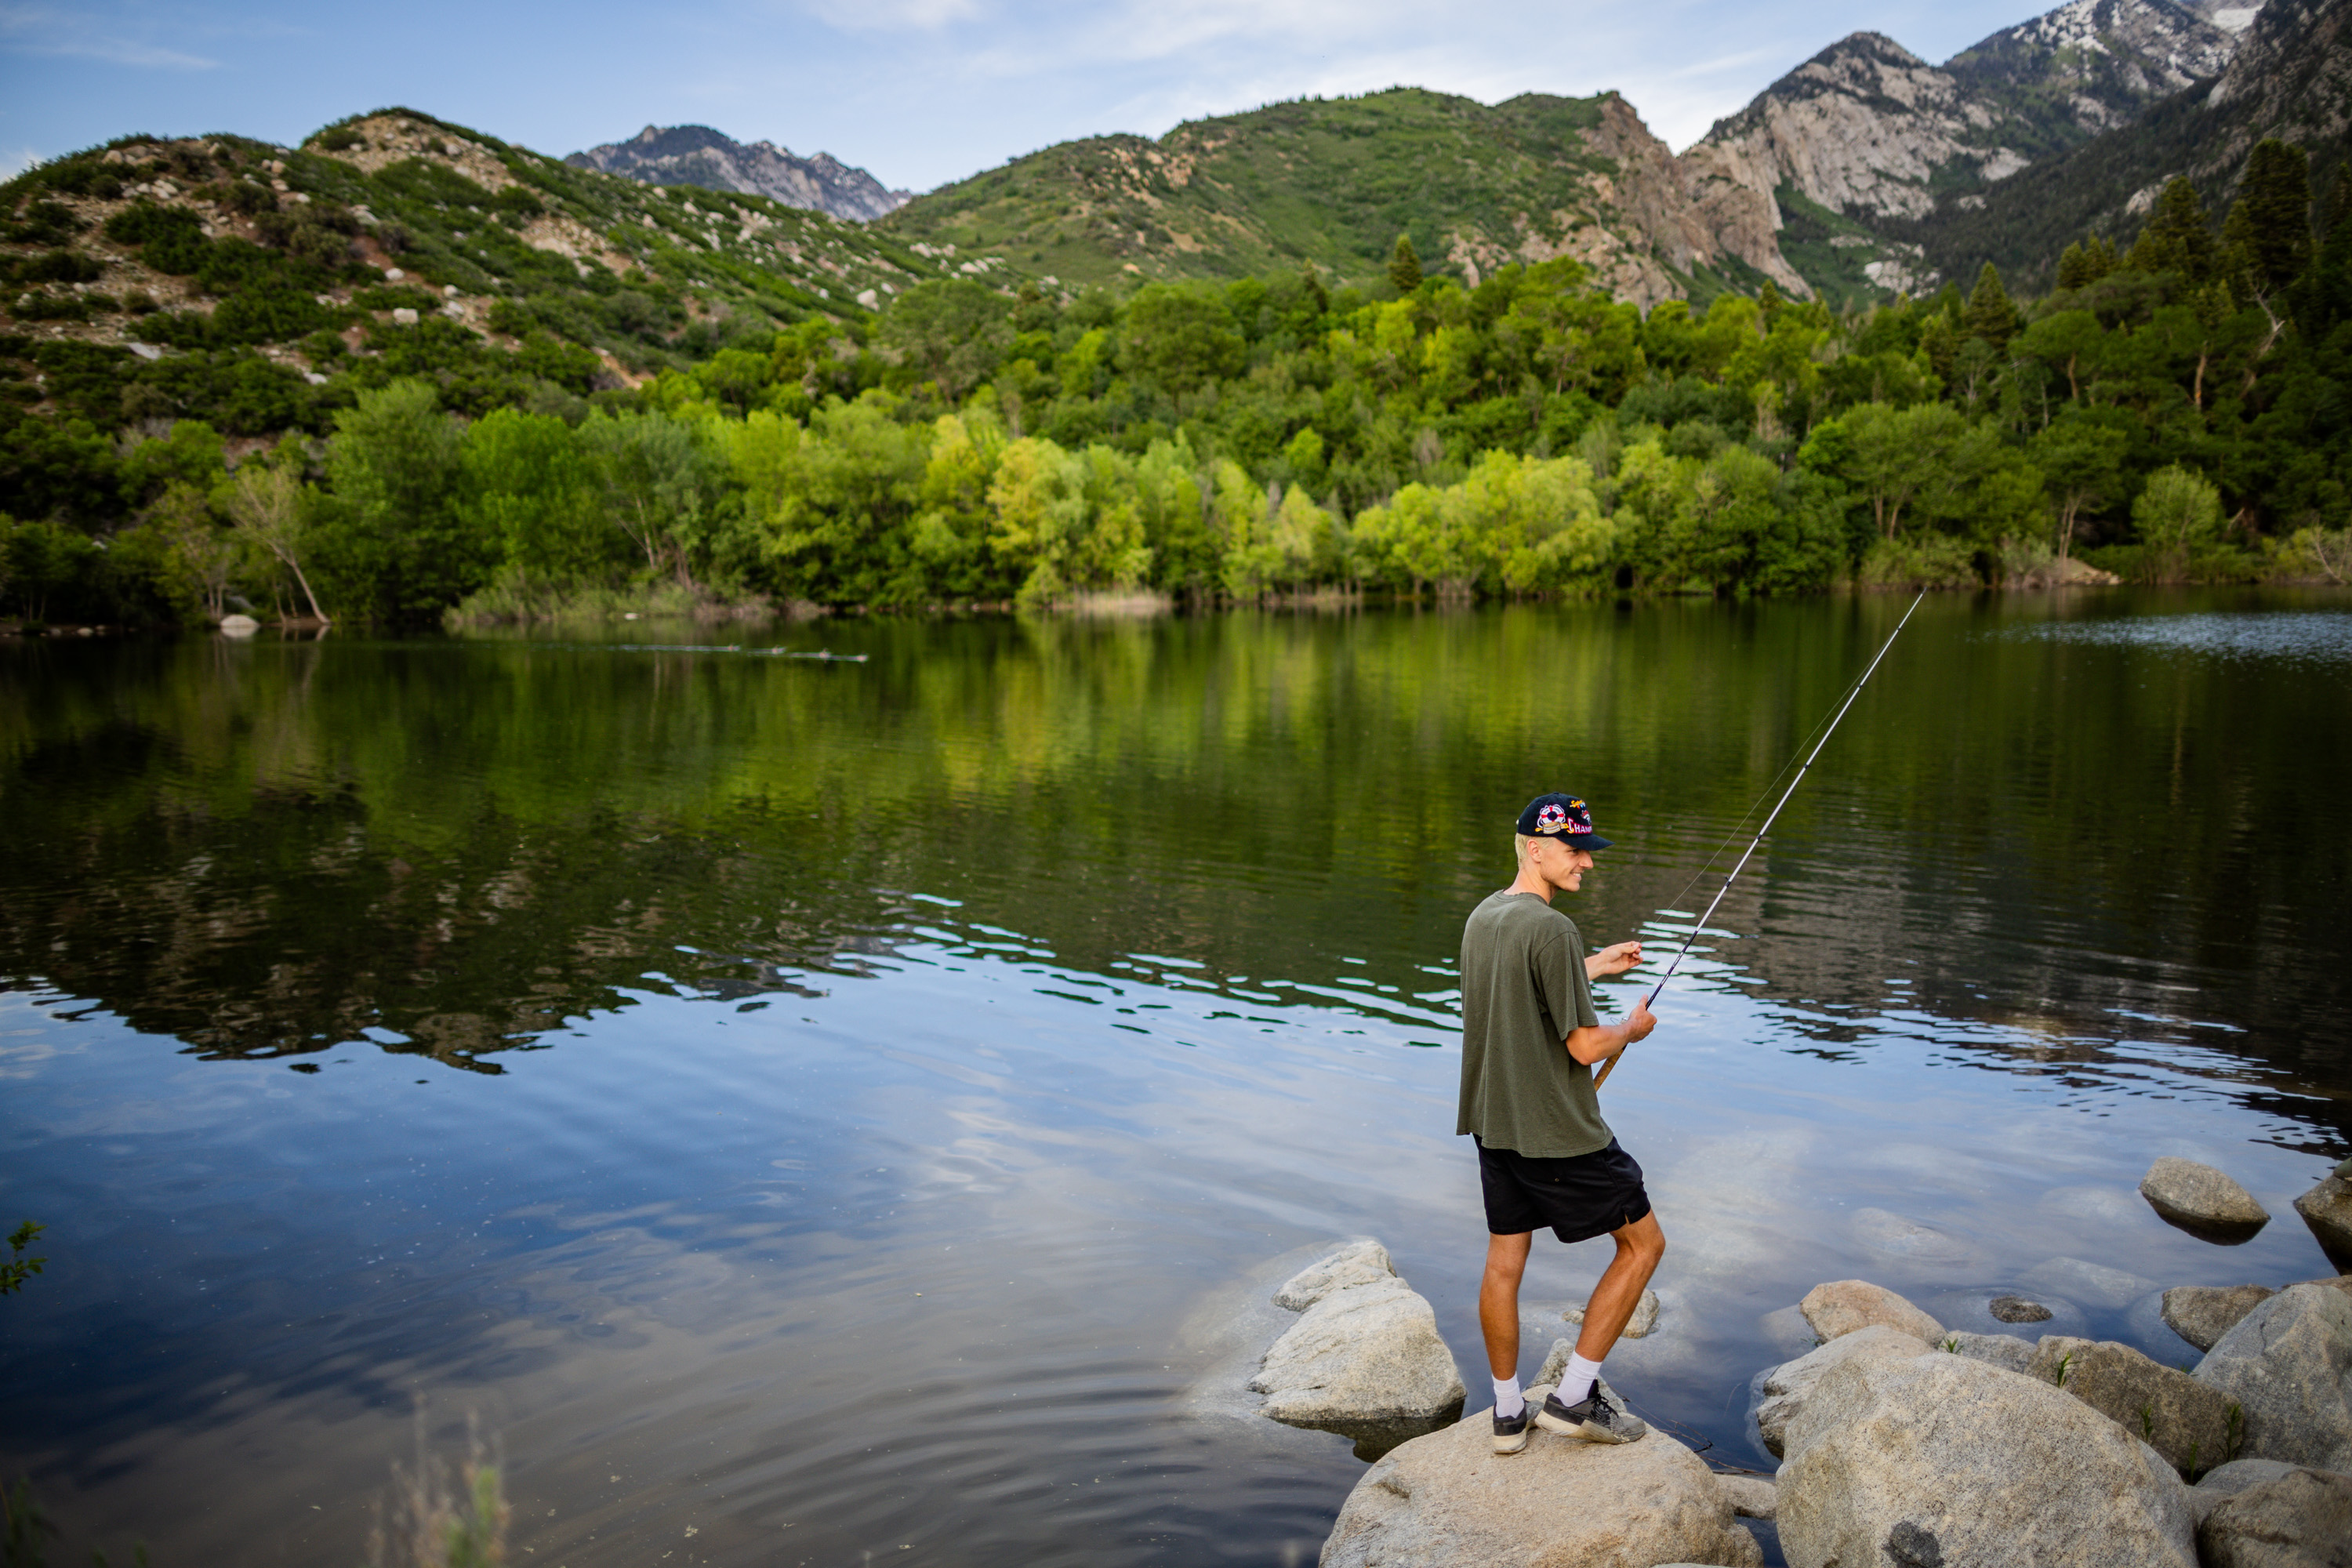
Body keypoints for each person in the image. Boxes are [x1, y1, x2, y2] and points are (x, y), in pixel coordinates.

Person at [1457, 792, 1662, 1454]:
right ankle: (1574, 1397)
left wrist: (1595, 964)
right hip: (1558, 1133)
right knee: (1643, 1246)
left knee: (1504, 1262)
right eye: (1575, 852)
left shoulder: (1487, 917)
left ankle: (1508, 1412)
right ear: (1534, 848)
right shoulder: (1552, 928)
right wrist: (1630, 1029)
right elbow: (1580, 1046)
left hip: (1496, 1125)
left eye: (1587, 852)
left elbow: (1523, 983)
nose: (1586, 865)